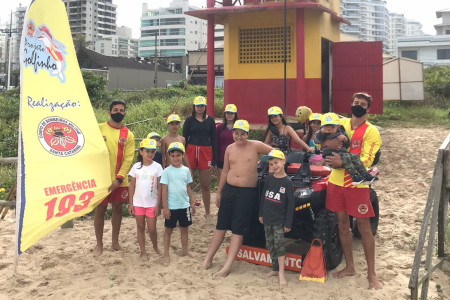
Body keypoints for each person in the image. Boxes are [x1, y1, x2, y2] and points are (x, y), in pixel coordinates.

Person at [323, 92, 382, 290]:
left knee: (364, 227)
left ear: (368, 109)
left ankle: (372, 274)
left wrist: (342, 161)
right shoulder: (340, 124)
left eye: (362, 104)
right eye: (356, 102)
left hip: (357, 184)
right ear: (351, 104)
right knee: (341, 225)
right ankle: (350, 267)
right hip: (335, 182)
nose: (358, 106)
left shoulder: (371, 131)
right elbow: (322, 139)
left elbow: (367, 159)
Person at [202, 120, 273, 277]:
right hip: (230, 190)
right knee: (221, 225)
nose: (239, 136)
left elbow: (276, 153)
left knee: (237, 228)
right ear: (232, 133)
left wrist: (273, 165)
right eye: (236, 133)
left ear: (247, 134)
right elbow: (225, 172)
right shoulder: (229, 148)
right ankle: (208, 258)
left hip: (247, 193)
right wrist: (219, 192)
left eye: (242, 133)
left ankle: (228, 265)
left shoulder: (255, 145)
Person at [95, 100, 135, 256]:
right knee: (101, 209)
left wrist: (119, 178)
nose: (118, 112)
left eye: (121, 110)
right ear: (109, 112)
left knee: (118, 209)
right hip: (101, 180)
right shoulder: (99, 128)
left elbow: (128, 158)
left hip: (120, 180)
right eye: (115, 109)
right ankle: (99, 244)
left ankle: (115, 242)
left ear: (125, 113)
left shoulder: (128, 134)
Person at [258, 150, 294, 286]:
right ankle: (274, 268)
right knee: (270, 244)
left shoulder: (287, 182)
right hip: (267, 218)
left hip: (279, 220)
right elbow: (263, 197)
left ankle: (282, 274)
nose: (274, 166)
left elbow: (290, 205)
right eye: (271, 164)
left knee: (279, 245)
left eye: (276, 162)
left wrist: (288, 223)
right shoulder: (268, 179)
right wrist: (261, 214)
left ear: (283, 161)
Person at [315, 112, 377, 185]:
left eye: (332, 127)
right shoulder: (323, 133)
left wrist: (345, 139)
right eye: (326, 126)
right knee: (347, 158)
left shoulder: (341, 132)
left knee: (354, 157)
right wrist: (322, 134)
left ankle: (365, 174)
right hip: (331, 154)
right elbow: (316, 141)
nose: (329, 129)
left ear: (338, 126)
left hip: (342, 153)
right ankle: (354, 176)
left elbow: (347, 144)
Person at [160, 142, 196, 264]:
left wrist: (192, 203)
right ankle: (166, 254)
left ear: (183, 156)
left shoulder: (186, 171)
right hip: (171, 207)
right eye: (173, 155)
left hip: (184, 206)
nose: (175, 158)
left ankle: (184, 251)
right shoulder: (166, 171)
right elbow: (164, 190)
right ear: (169, 156)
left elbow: (188, 188)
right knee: (168, 230)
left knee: (184, 229)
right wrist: (165, 207)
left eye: (178, 155)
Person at [128, 138, 163, 260]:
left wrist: (159, 205)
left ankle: (155, 247)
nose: (150, 154)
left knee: (152, 229)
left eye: (152, 152)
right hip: (138, 203)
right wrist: (130, 203)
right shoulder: (136, 167)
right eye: (147, 151)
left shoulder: (158, 167)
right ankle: (143, 252)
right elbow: (131, 185)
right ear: (141, 152)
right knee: (140, 227)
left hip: (152, 203)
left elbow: (160, 187)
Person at [182, 96, 217, 216]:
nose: (200, 108)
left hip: (205, 152)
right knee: (187, 183)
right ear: (194, 107)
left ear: (205, 107)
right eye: (198, 106)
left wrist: (214, 160)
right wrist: (182, 156)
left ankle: (207, 212)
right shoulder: (189, 121)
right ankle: (186, 210)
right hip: (191, 151)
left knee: (205, 184)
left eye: (202, 106)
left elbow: (214, 140)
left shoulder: (210, 121)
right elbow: (184, 139)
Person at [216, 104, 238, 184]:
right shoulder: (220, 127)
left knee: (234, 182)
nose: (229, 115)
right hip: (221, 158)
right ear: (225, 114)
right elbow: (216, 144)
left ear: (235, 115)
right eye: (227, 113)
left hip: (235, 158)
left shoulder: (238, 127)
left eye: (231, 113)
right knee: (221, 182)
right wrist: (214, 160)